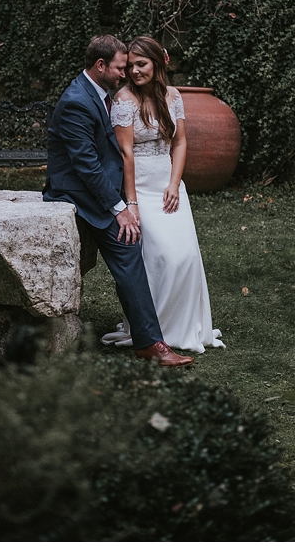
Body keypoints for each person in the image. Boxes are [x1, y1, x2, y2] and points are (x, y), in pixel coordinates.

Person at [44, 35, 193, 367]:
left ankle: (149, 338)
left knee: (130, 249)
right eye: (120, 68)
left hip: (103, 187)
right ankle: (151, 343)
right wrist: (121, 208)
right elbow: (86, 166)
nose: (125, 74)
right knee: (128, 246)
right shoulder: (77, 102)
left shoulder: (98, 93)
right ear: (101, 66)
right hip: (78, 193)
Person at [100, 35, 224, 353]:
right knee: (162, 259)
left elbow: (180, 142)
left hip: (169, 187)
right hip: (139, 189)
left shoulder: (172, 95)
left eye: (141, 64)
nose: (135, 71)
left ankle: (184, 325)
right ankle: (153, 330)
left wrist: (174, 183)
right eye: (130, 66)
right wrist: (132, 202)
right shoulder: (124, 100)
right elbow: (125, 154)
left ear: (157, 63)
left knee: (186, 258)